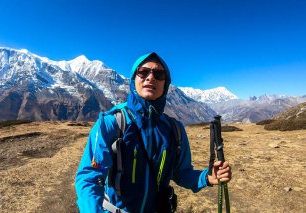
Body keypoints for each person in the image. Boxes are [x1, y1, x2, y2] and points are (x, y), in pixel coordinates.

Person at [75, 52, 232, 212]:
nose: (150, 78)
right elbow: (90, 178)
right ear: (133, 80)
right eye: (143, 72)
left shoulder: (175, 129)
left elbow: (181, 173)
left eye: (159, 74)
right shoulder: (111, 123)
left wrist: (207, 177)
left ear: (165, 84)